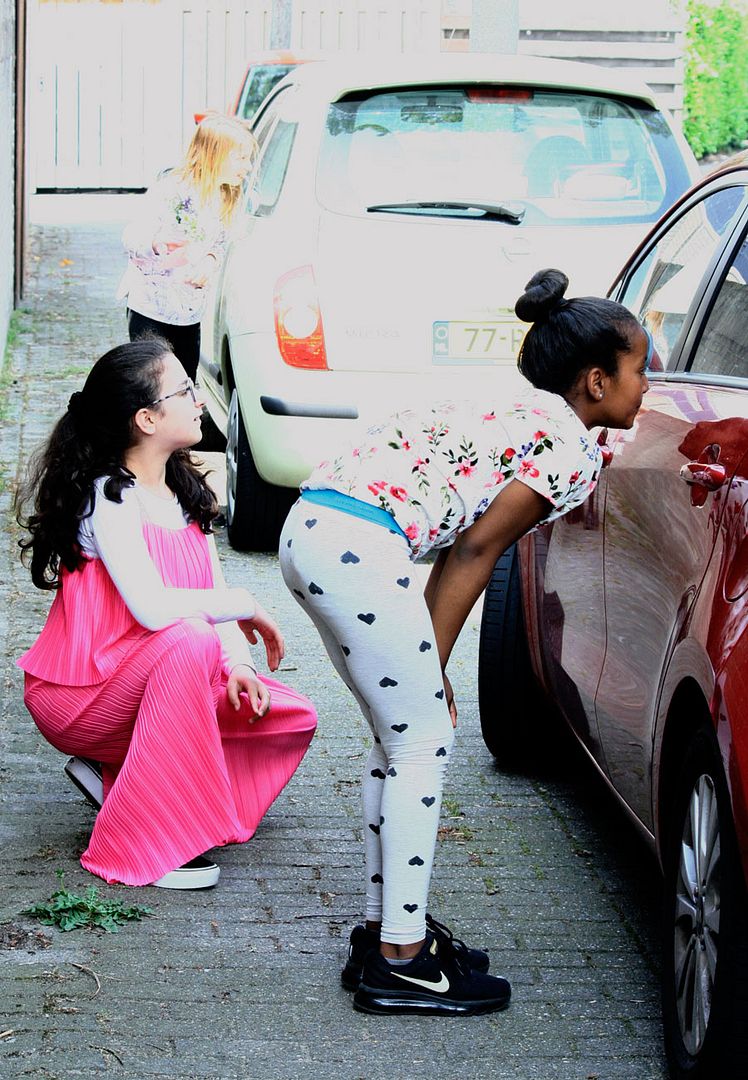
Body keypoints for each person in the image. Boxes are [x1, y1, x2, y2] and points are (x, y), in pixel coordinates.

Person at [279, 268, 652, 1015]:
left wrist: (432, 665)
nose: (649, 386)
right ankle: (403, 959)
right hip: (357, 544)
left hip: (317, 529)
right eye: (642, 368)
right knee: (422, 742)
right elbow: (478, 551)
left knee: (402, 739)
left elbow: (459, 549)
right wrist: (437, 667)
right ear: (596, 383)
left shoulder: (519, 403)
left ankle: (387, 934)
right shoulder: (570, 449)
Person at [15, 337, 317, 890]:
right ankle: (153, 839)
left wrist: (241, 668)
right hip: (84, 696)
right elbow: (155, 609)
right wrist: (245, 605)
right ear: (147, 419)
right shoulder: (109, 497)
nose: (199, 399)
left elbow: (210, 586)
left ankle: (120, 780)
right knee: (188, 638)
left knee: (286, 713)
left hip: (150, 680)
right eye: (183, 389)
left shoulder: (181, 490)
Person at [117, 113, 257, 383]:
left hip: (190, 314)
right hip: (152, 309)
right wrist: (155, 243)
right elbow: (132, 236)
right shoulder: (171, 190)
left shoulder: (227, 196)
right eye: (240, 158)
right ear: (214, 154)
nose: (248, 167)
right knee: (153, 384)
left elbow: (221, 242)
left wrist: (210, 260)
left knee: (184, 383)